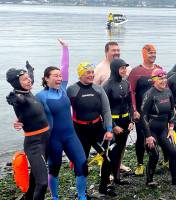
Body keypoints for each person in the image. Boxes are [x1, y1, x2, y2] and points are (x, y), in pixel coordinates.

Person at [36, 39, 88, 200]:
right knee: (54, 168)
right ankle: (55, 197)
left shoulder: (63, 90)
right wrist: (20, 120)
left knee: (82, 164)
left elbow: (65, 66)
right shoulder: (40, 96)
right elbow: (30, 112)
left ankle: (81, 196)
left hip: (70, 136)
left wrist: (66, 48)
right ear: (46, 79)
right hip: (53, 139)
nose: (59, 78)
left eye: (60, 76)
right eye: (55, 76)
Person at [67, 62, 118, 197]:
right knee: (81, 163)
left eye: (92, 72)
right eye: (87, 72)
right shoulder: (71, 90)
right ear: (80, 74)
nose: (91, 75)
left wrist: (108, 129)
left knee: (109, 156)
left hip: (97, 129)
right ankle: (82, 193)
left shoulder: (98, 89)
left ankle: (103, 187)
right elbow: (61, 108)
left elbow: (106, 110)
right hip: (80, 131)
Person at [6, 62, 49, 200]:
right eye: (24, 79)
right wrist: (13, 99)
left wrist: (30, 70)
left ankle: (28, 197)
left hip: (46, 140)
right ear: (16, 84)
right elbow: (18, 100)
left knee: (36, 176)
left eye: (28, 78)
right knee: (42, 183)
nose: (29, 80)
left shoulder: (27, 89)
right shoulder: (20, 97)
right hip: (34, 144)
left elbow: (30, 77)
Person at [141, 68, 176, 187]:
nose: (164, 81)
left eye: (165, 78)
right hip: (151, 130)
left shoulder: (168, 92)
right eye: (160, 78)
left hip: (164, 129)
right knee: (154, 155)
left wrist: (171, 128)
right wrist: (148, 136)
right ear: (154, 80)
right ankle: (149, 180)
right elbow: (143, 116)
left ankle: (175, 180)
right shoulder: (149, 94)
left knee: (175, 152)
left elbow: (172, 112)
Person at [94, 41, 131, 172]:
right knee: (109, 146)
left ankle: (118, 166)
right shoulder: (99, 69)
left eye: (117, 50)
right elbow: (94, 93)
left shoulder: (124, 72)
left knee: (121, 145)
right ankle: (104, 170)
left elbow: (128, 97)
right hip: (108, 116)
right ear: (106, 52)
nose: (116, 52)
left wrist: (131, 118)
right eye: (113, 50)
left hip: (123, 115)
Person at [128, 44, 162, 175]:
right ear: (144, 54)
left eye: (154, 52)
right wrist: (134, 110)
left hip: (157, 111)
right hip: (142, 113)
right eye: (150, 53)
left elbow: (165, 89)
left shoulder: (159, 69)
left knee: (158, 136)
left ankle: (155, 160)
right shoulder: (136, 72)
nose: (153, 55)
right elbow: (131, 92)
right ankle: (140, 164)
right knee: (142, 138)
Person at [103, 58, 134, 185]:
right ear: (115, 69)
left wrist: (131, 121)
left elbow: (130, 103)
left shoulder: (126, 83)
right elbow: (104, 109)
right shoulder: (107, 85)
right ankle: (106, 180)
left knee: (120, 150)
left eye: (125, 68)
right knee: (111, 152)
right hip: (113, 123)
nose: (124, 70)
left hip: (125, 121)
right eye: (122, 68)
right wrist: (113, 126)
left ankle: (117, 178)